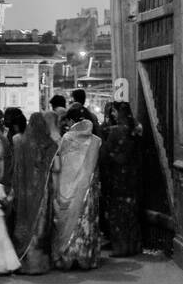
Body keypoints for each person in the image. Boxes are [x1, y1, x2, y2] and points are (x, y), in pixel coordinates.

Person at [51, 103, 102, 271]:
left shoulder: (67, 138)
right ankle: (85, 256)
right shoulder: (96, 140)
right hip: (88, 188)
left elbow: (60, 162)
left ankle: (67, 256)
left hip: (69, 186)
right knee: (85, 221)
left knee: (67, 221)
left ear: (72, 120)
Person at [11, 111, 57, 274]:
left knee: (25, 223)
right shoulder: (50, 144)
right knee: (41, 227)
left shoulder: (22, 142)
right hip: (43, 192)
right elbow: (55, 166)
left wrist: (16, 190)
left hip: (25, 194)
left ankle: (27, 262)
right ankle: (40, 264)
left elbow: (17, 169)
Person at [99, 101, 143, 257]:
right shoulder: (135, 130)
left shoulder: (116, 132)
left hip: (118, 179)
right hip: (132, 178)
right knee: (131, 213)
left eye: (115, 111)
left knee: (117, 214)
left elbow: (105, 155)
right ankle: (133, 246)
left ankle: (121, 248)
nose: (112, 114)